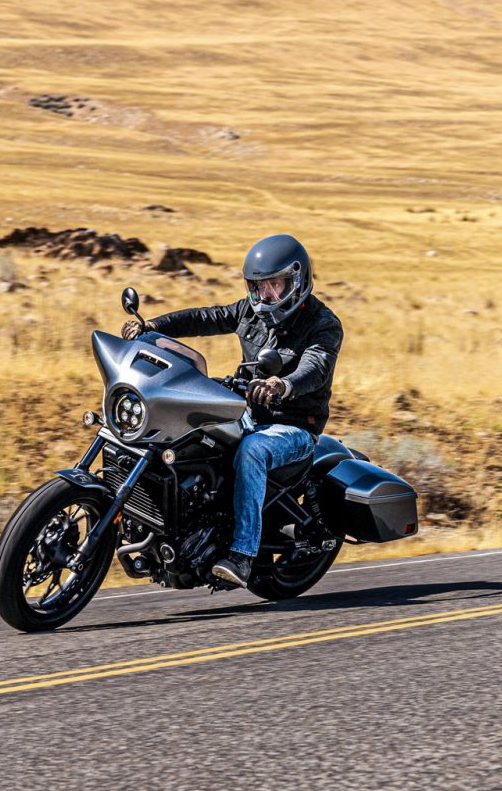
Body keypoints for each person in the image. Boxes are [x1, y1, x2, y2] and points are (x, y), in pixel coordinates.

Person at [122, 233, 343, 589]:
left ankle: (242, 554)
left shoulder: (322, 323)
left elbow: (315, 368)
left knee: (252, 450)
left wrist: (281, 385)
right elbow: (207, 318)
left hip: (294, 427)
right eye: (258, 287)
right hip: (248, 412)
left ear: (297, 281)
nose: (265, 295)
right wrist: (154, 326)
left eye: (274, 285)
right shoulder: (250, 311)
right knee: (184, 427)